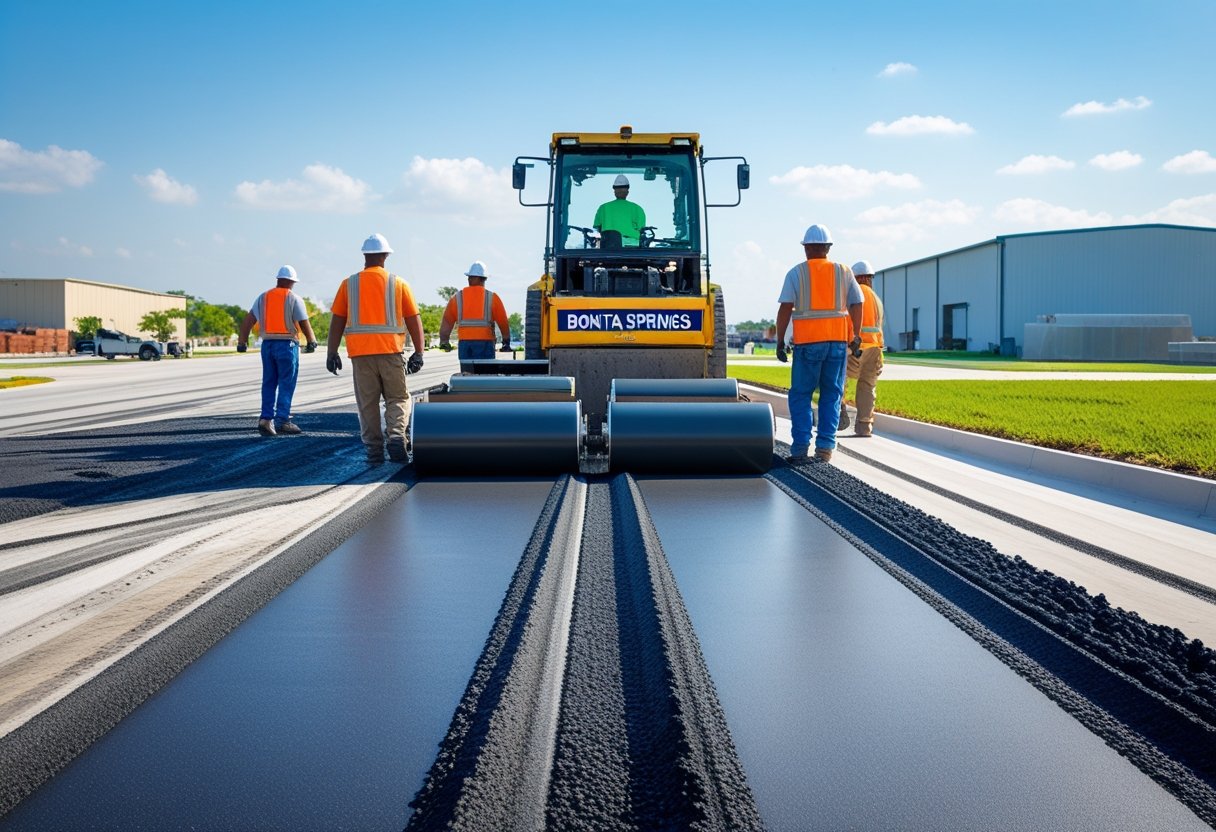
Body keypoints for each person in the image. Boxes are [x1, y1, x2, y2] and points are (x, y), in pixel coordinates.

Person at [326, 233, 425, 464]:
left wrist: (332, 352)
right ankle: (396, 435)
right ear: (386, 256)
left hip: (360, 355)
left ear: (364, 255)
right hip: (391, 353)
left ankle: (374, 451)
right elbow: (413, 319)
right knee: (398, 398)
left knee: (367, 404)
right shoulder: (398, 283)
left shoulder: (348, 284)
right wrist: (418, 352)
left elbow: (337, 321)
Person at [775, 224, 864, 463]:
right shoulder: (844, 272)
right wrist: (856, 334)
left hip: (807, 344)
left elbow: (785, 307)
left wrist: (780, 341)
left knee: (801, 395)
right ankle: (825, 448)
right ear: (828, 248)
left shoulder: (796, 273)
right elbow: (857, 303)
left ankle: (801, 448)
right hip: (836, 343)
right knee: (831, 395)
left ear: (806, 249)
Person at [237, 265, 317, 436]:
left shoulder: (263, 298)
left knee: (269, 382)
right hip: (287, 345)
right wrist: (312, 341)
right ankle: (282, 420)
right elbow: (304, 322)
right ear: (292, 282)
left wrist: (242, 342)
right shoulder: (293, 298)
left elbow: (248, 321)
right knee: (287, 383)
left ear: (278, 280)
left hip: (267, 345)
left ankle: (266, 419)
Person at [839, 260, 885, 437]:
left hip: (855, 346)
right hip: (874, 348)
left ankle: (839, 407)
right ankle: (865, 426)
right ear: (868, 278)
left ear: (855, 277)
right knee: (867, 386)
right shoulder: (876, 298)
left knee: (838, 376)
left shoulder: (852, 294)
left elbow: (846, 321)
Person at [438, 261, 512, 368]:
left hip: (465, 344)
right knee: (485, 377)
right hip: (485, 344)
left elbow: (447, 322)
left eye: (470, 277)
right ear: (484, 279)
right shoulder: (492, 298)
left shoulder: (457, 298)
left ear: (473, 278)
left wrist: (444, 341)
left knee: (467, 376)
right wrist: (506, 342)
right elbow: (503, 322)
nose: (468, 279)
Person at [593, 174, 646, 247]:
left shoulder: (603, 208)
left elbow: (598, 227)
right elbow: (641, 230)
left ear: (614, 191)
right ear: (627, 191)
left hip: (608, 249)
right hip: (632, 249)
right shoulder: (637, 209)